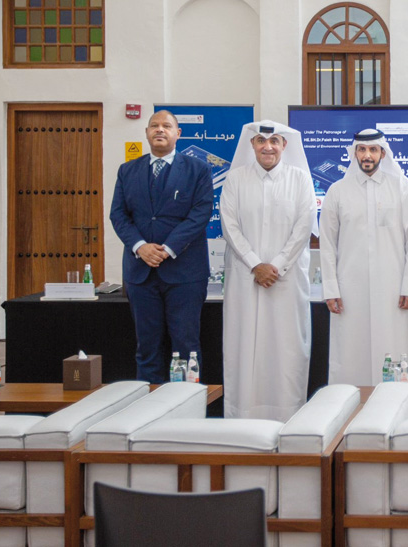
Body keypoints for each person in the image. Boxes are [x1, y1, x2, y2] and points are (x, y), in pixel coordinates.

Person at [220, 121, 316, 421]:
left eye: (274, 141)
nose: (268, 147)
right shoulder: (235, 179)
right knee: (244, 345)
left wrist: (277, 265)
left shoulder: (300, 179)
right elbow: (229, 225)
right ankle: (242, 418)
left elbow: (304, 226)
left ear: (284, 145)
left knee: (286, 349)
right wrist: (255, 264)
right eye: (261, 141)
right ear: (252, 145)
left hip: (286, 280)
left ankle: (288, 418)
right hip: (245, 278)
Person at [110, 110, 213, 383]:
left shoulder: (198, 170)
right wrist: (140, 246)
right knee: (147, 348)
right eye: (154, 125)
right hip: (140, 274)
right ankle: (148, 404)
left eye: (166, 126)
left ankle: (186, 405)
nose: (159, 129)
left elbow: (200, 214)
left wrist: (167, 248)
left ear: (178, 133)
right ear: (146, 133)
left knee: (186, 346)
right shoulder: (127, 171)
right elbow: (118, 215)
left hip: (185, 274)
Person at [320, 129, 408, 385]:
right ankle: (350, 404)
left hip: (393, 289)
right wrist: (331, 289)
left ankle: (395, 404)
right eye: (362, 150)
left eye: (373, 150)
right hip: (349, 289)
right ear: (354, 153)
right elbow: (327, 244)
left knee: (394, 349)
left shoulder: (403, 188)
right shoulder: (337, 191)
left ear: (383, 153)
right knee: (350, 351)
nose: (367, 155)